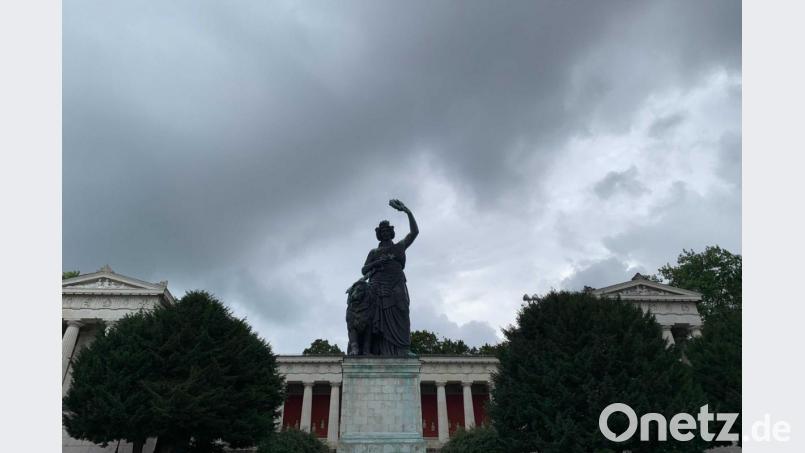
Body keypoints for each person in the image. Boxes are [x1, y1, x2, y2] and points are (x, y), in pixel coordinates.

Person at [361, 199, 419, 356]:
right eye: (382, 231)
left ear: (391, 232)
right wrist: (378, 262)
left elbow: (414, 233)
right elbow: (364, 270)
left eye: (388, 231)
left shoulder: (399, 246)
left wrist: (407, 212)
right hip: (378, 285)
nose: (385, 233)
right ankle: (378, 350)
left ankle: (403, 349)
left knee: (402, 310)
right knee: (377, 317)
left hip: (396, 283)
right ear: (379, 234)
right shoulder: (374, 252)